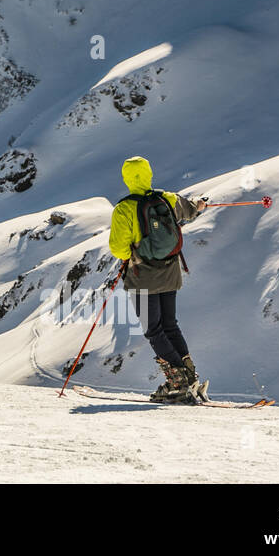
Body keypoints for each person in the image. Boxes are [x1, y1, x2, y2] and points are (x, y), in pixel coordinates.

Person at [108, 156, 208, 402]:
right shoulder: (166, 198)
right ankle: (190, 377)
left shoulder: (124, 209)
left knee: (154, 330)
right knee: (170, 325)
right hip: (170, 273)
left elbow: (118, 250)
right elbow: (190, 209)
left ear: (126, 178)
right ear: (149, 174)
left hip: (143, 278)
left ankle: (178, 383)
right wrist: (200, 204)